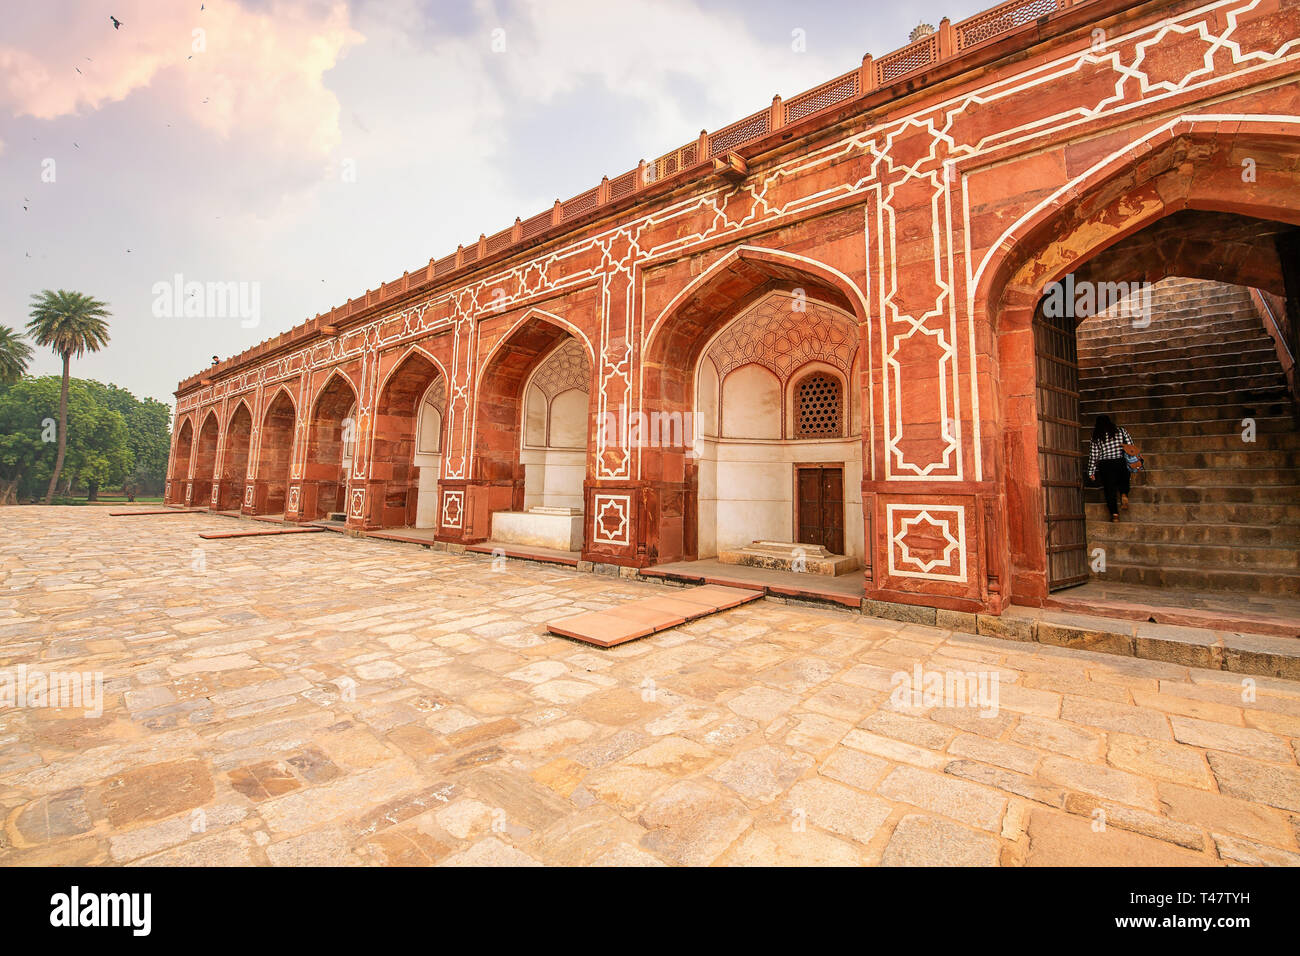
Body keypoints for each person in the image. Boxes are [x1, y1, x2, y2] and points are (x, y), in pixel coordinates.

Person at [1087, 414, 1135, 521]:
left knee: (1109, 490)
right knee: (1124, 480)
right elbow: (1130, 445)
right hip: (1120, 461)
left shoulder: (1096, 436)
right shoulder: (1121, 431)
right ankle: (1124, 494)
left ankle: (1115, 515)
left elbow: (1094, 455)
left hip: (1106, 465)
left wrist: (1091, 472)